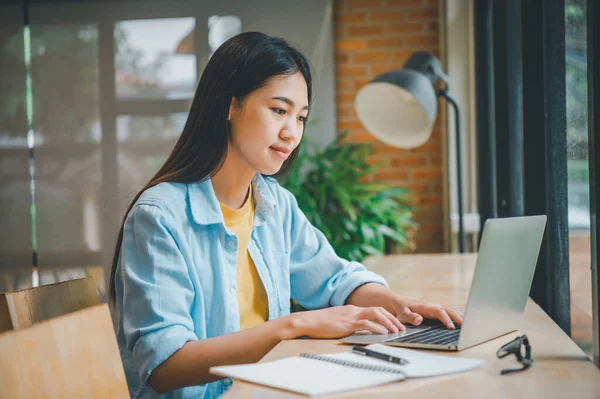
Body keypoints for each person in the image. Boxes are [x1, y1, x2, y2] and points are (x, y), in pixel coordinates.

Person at [109, 31, 463, 399]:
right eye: (279, 110)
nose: (291, 132)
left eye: (301, 117)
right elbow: (165, 367)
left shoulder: (274, 205)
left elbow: (334, 279)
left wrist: (401, 306)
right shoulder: (159, 217)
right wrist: (292, 325)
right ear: (229, 106)